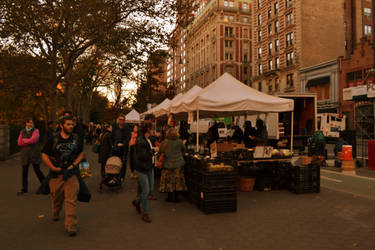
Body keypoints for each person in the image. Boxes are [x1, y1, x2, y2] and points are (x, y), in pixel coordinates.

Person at [40, 116, 88, 236]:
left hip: (71, 174)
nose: (71, 126)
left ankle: (71, 225)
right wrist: (52, 167)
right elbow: (44, 154)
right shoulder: (54, 139)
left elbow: (82, 154)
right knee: (56, 197)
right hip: (56, 174)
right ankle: (56, 211)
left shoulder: (76, 139)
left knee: (71, 200)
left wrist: (74, 165)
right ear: (61, 125)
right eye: (68, 124)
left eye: (72, 124)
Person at [132, 123, 156, 223]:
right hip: (142, 168)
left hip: (148, 167)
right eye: (152, 129)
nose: (153, 131)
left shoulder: (147, 139)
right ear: (148, 130)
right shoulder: (141, 141)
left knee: (150, 189)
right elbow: (143, 156)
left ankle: (137, 202)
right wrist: (153, 151)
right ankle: (145, 214)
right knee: (146, 191)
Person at [17, 118, 45, 195]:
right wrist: (27, 141)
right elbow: (19, 143)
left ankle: (45, 186)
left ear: (33, 124)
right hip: (25, 154)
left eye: (31, 123)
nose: (30, 124)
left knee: (37, 170)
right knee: (24, 172)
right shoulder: (22, 131)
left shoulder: (36, 131)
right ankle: (24, 189)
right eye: (28, 123)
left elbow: (33, 140)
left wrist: (24, 140)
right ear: (26, 123)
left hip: (34, 153)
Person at [159, 128, 187, 202]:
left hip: (168, 164)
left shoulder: (164, 142)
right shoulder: (180, 142)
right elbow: (184, 150)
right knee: (178, 181)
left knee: (169, 181)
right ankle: (177, 197)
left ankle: (170, 197)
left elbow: (160, 151)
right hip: (178, 164)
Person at [112, 114, 131, 181]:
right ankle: (115, 174)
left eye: (123, 120)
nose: (121, 121)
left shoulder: (127, 128)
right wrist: (112, 144)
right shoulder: (115, 127)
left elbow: (128, 138)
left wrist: (123, 144)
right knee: (115, 161)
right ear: (118, 120)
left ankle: (122, 176)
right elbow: (112, 136)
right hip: (115, 148)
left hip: (124, 149)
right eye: (120, 119)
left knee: (123, 162)